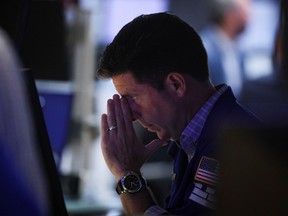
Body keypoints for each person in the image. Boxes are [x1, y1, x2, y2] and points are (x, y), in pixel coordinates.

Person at [96, 12, 261, 215]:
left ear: (176, 84)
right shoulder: (193, 139)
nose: (130, 115)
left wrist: (126, 173)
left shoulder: (234, 147)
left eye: (133, 98)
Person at [200, 0, 251, 97]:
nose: (249, 18)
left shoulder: (239, 50)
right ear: (229, 16)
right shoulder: (204, 49)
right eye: (245, 12)